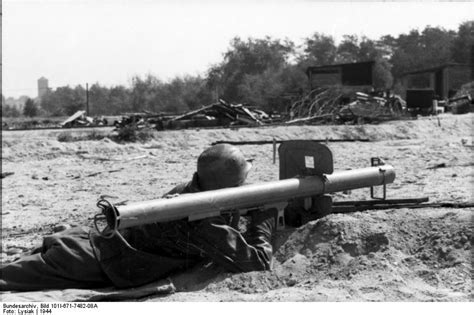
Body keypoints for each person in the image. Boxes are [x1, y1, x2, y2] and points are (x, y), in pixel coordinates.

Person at [0, 144, 277, 291]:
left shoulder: (188, 191)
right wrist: (264, 219)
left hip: (85, 243)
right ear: (228, 187)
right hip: (87, 261)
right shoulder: (202, 218)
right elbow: (256, 262)